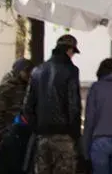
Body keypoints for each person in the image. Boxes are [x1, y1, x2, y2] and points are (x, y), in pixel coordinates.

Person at [22, 34, 84, 174]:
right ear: (69, 50)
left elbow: (27, 106)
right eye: (73, 52)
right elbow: (74, 105)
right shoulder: (71, 71)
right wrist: (74, 135)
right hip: (63, 137)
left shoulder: (37, 71)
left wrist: (37, 128)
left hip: (42, 137)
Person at [0, 58, 39, 138]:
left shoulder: (29, 87)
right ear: (18, 71)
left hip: (25, 135)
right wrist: (5, 134)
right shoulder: (5, 89)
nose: (29, 73)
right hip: (9, 136)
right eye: (26, 71)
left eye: (31, 70)